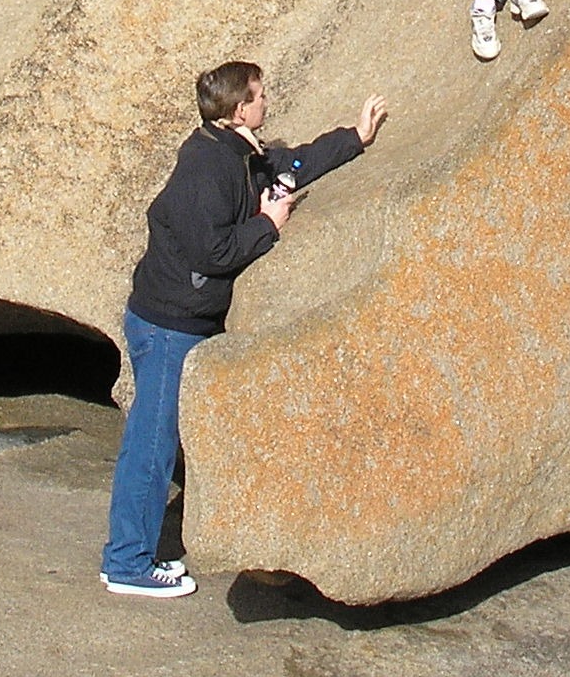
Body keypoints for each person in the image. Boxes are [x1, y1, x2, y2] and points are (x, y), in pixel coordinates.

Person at [100, 62, 389, 597]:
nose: (266, 103)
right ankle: (127, 564)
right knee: (152, 443)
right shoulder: (204, 168)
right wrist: (266, 226)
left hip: (184, 321)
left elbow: (290, 165)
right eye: (260, 96)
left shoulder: (239, 151)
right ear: (240, 110)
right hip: (168, 325)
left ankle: (131, 554)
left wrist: (357, 137)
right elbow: (209, 253)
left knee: (158, 439)